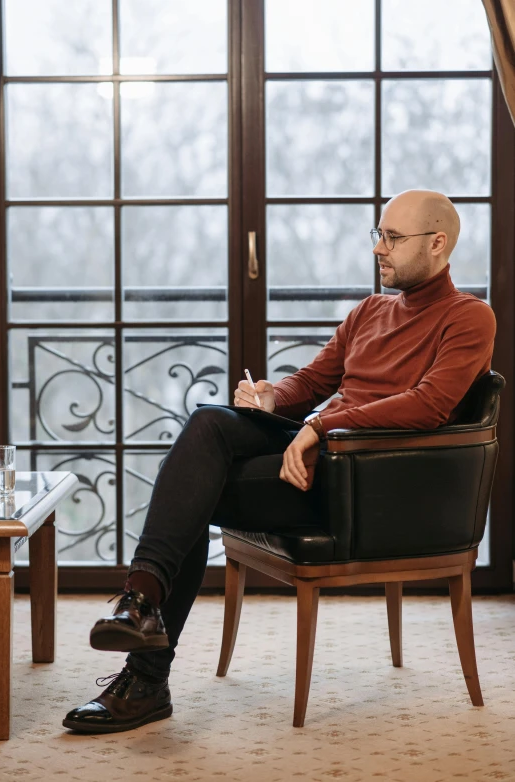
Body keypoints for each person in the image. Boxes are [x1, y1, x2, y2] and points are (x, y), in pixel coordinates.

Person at [63, 189, 496, 734]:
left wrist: (320, 426)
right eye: (377, 235)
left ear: (437, 244)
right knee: (210, 423)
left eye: (392, 238)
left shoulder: (469, 317)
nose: (378, 250)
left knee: (192, 495)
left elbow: (431, 405)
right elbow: (314, 381)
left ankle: (145, 669)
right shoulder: (370, 310)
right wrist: (273, 397)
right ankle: (140, 607)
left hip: (361, 479)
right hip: (316, 453)